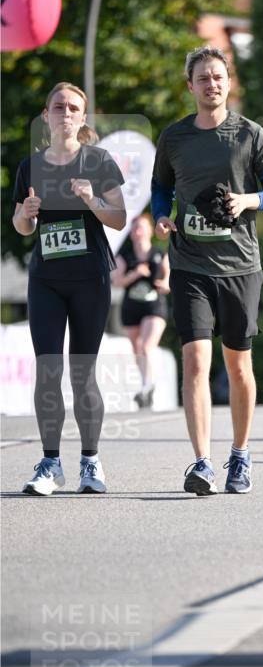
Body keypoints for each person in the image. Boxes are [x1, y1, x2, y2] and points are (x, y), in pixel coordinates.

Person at [151, 46, 263, 494]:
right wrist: (162, 214)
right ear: (190, 86)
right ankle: (201, 463)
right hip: (189, 263)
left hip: (240, 265)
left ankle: (241, 454)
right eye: (203, 78)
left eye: (218, 77)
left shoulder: (251, 134)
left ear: (228, 83)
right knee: (194, 359)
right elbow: (161, 187)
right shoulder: (174, 138)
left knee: (238, 366)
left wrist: (249, 200)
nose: (212, 84)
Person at [13, 82, 126, 495]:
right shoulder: (30, 166)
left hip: (90, 280)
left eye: (73, 107)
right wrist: (25, 215)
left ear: (82, 117)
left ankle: (91, 464)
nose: (65, 113)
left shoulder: (98, 161)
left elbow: (118, 219)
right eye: (58, 106)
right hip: (46, 279)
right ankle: (49, 464)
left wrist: (93, 199)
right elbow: (22, 227)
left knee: (81, 374)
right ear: (46, 116)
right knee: (48, 371)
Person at [112, 214, 170, 408]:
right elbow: (117, 282)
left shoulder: (159, 253)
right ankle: (147, 383)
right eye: (135, 228)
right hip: (131, 307)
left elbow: (169, 277)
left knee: (146, 347)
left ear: (150, 231)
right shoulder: (124, 256)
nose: (138, 231)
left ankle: (146, 386)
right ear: (131, 233)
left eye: (142, 227)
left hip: (154, 306)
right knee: (137, 349)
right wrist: (135, 274)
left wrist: (166, 284)